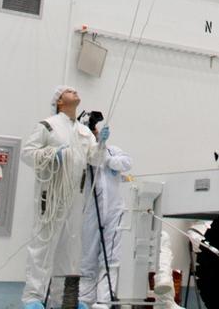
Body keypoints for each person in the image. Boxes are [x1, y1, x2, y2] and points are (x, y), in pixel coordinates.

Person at [20, 86, 108, 309]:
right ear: (59, 101)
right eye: (68, 90)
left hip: (74, 198)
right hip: (50, 197)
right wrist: (51, 154)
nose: (75, 91)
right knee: (43, 246)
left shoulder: (84, 132)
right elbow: (27, 154)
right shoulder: (47, 126)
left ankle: (63, 300)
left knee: (70, 249)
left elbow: (95, 160)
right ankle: (33, 297)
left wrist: (102, 143)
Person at [79, 113, 131, 307]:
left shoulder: (112, 150)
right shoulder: (83, 154)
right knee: (88, 256)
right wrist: (97, 152)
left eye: (95, 130)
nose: (95, 132)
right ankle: (84, 299)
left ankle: (103, 300)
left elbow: (126, 162)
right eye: (90, 131)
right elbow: (90, 163)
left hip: (114, 211)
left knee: (110, 257)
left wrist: (107, 157)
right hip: (91, 212)